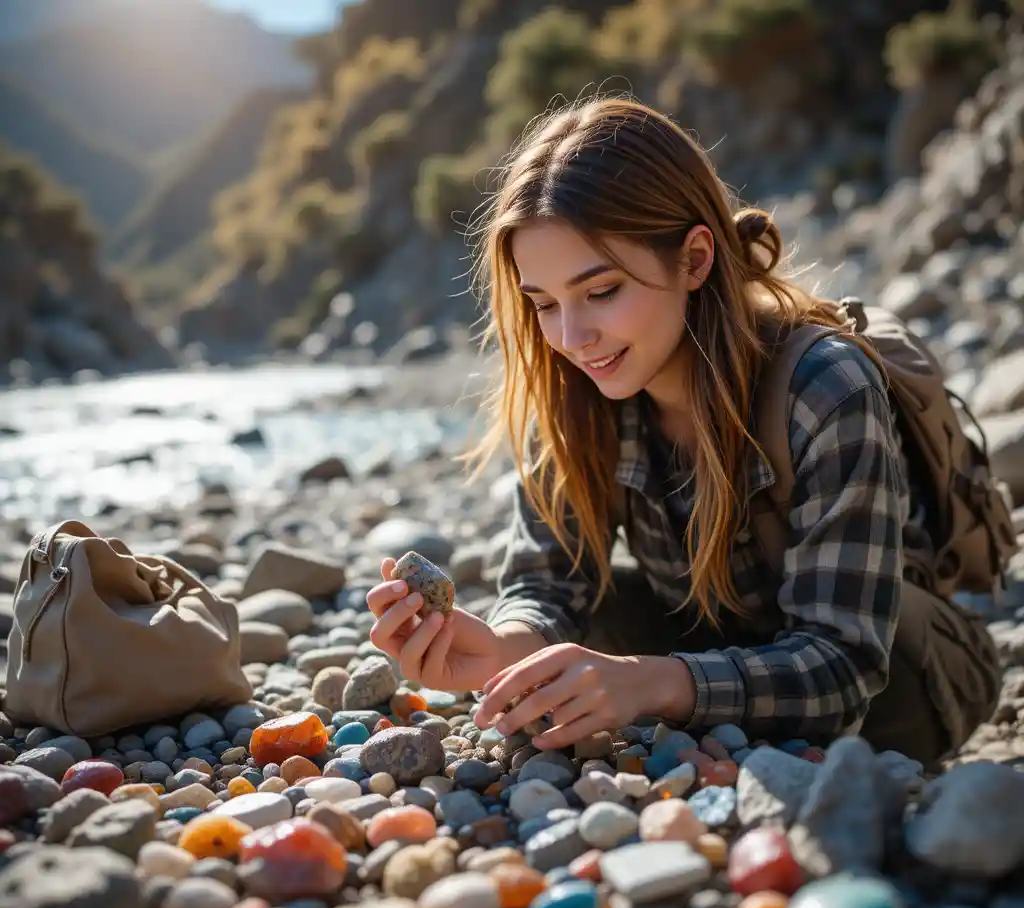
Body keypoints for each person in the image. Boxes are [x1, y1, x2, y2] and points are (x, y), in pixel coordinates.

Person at [366, 96, 1002, 767]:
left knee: (877, 651)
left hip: (899, 679)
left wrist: (651, 682)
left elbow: (845, 664)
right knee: (588, 624)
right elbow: (549, 585)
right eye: (544, 303)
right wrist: (501, 649)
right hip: (718, 639)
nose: (571, 338)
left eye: (602, 291)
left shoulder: (825, 386)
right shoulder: (575, 388)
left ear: (695, 259)